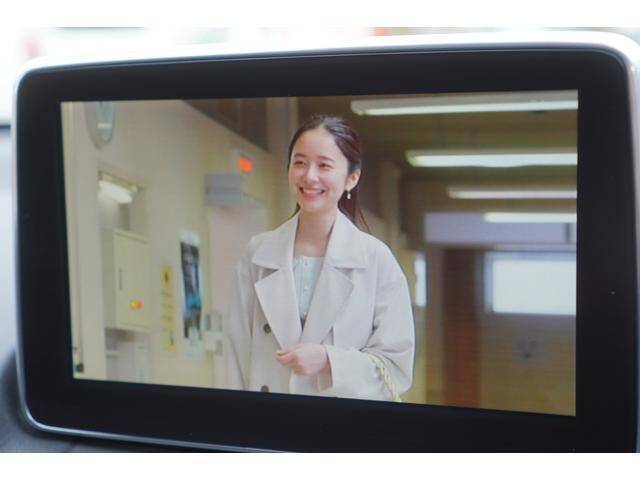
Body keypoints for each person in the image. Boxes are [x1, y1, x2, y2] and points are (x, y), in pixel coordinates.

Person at [224, 115, 415, 401]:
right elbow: (234, 353)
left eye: (324, 165)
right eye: (300, 163)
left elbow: (396, 369)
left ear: (352, 178)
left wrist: (329, 361)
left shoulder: (376, 260)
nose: (310, 176)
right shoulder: (258, 253)